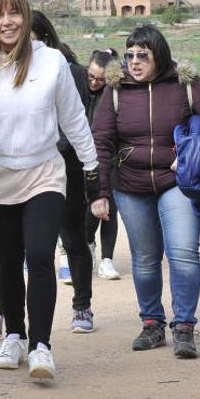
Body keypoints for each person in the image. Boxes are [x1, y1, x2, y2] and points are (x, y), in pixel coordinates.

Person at [0, 0, 98, 380]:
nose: (7, 22)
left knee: (40, 256)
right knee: (8, 260)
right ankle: (15, 336)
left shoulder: (52, 61)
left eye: (14, 13)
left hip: (44, 172)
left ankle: (41, 346)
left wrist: (92, 169)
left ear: (26, 17)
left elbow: (74, 119)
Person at [91, 24, 200, 359]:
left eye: (143, 56)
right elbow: (102, 142)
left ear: (159, 56)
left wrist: (192, 158)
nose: (134, 62)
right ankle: (152, 323)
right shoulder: (116, 88)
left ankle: (184, 327)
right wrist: (100, 192)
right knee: (147, 258)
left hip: (176, 184)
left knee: (182, 252)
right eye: (130, 55)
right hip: (131, 186)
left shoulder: (184, 84)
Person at [84, 49, 122, 281]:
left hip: (109, 158)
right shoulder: (79, 89)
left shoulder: (113, 94)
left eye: (101, 79)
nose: (95, 83)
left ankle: (107, 260)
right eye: (91, 77)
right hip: (83, 158)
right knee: (88, 208)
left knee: (111, 208)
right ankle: (88, 244)